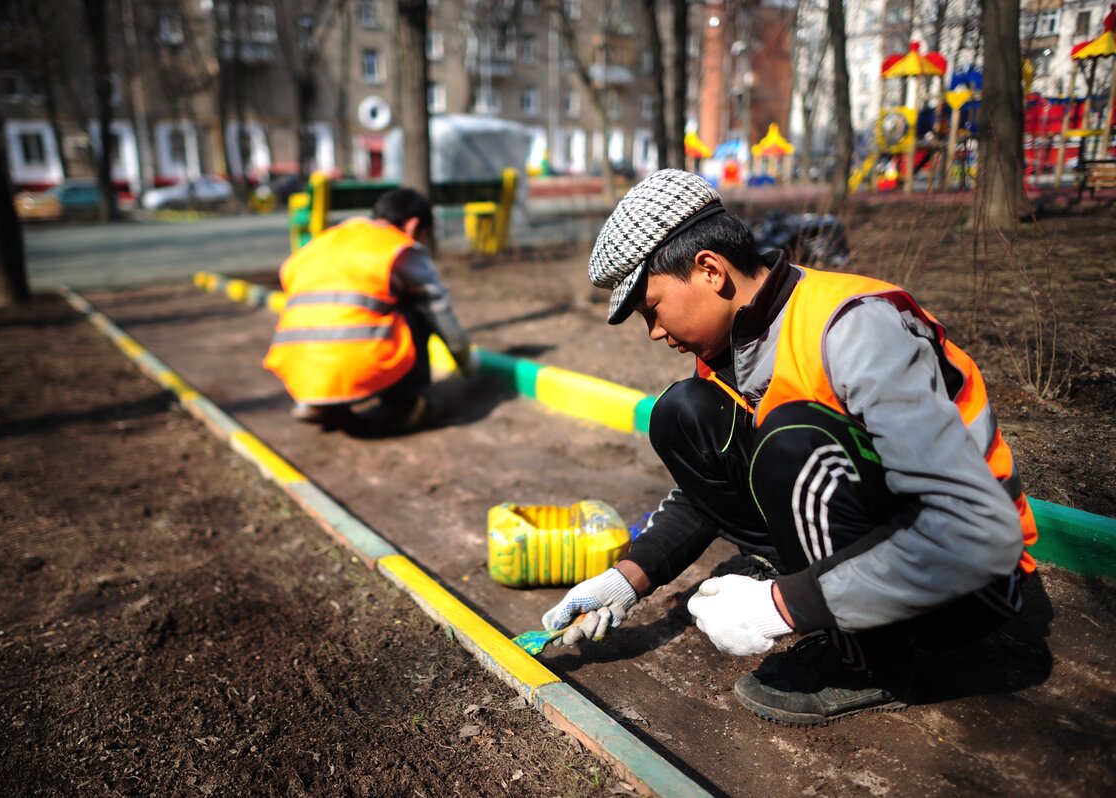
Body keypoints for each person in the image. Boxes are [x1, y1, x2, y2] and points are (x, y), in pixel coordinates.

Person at [539, 169, 1038, 725]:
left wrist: (780, 606)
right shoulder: (734, 349)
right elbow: (701, 494)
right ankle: (807, 585)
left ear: (709, 270)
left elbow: (974, 534)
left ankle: (868, 662)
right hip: (881, 546)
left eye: (652, 309)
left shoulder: (853, 329)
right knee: (685, 413)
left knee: (791, 438)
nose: (653, 331)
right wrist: (625, 580)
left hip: (967, 583)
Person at [263, 187, 474, 432]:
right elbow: (441, 313)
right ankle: (407, 405)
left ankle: (319, 403)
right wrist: (467, 366)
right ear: (414, 226)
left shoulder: (323, 242)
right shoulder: (397, 248)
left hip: (295, 369)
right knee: (415, 307)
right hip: (356, 364)